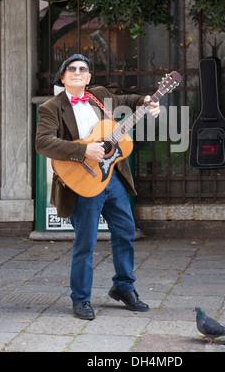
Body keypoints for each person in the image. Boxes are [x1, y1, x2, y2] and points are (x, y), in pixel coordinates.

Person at [35, 54, 160, 320]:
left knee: (126, 231)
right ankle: (81, 299)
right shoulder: (51, 107)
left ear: (89, 77)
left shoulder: (99, 95)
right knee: (86, 242)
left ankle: (124, 288)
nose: (78, 72)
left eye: (83, 69)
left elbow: (128, 100)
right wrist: (83, 149)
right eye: (72, 69)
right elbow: (43, 142)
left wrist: (147, 101)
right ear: (63, 77)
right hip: (82, 181)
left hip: (112, 178)